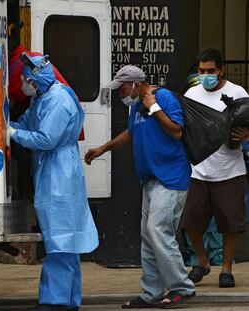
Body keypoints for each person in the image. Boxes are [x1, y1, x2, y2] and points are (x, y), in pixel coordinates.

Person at [85, 65, 195, 308]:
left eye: (123, 88)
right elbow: (131, 133)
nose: (121, 93)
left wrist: (154, 106)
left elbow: (177, 131)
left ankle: (182, 287)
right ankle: (151, 292)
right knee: (148, 236)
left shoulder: (163, 97)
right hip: (151, 179)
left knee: (158, 231)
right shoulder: (136, 106)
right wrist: (104, 148)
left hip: (171, 178)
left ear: (135, 84)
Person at [9, 52, 98, 311]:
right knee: (66, 242)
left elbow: (46, 139)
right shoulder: (43, 97)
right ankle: (69, 300)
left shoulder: (58, 100)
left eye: (27, 80)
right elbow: (27, 123)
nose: (25, 85)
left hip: (59, 172)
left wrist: (12, 133)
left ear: (37, 79)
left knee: (60, 240)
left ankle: (55, 302)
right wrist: (8, 125)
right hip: (52, 169)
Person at [181, 48, 249, 288]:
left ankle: (227, 270)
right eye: (202, 71)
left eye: (210, 71)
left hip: (230, 169)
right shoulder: (191, 93)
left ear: (221, 70)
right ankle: (202, 262)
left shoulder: (237, 92)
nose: (206, 75)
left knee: (230, 224)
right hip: (198, 169)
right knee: (189, 220)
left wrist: (246, 134)